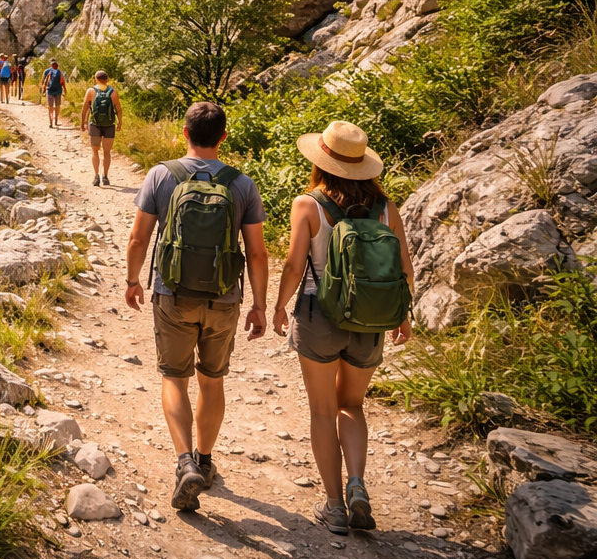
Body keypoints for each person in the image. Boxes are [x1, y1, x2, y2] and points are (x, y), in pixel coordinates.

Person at [124, 101, 269, 513]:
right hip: (224, 298)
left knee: (174, 377)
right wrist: (259, 305)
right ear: (223, 137)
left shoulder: (161, 175)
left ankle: (184, 461)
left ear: (184, 133)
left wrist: (133, 280)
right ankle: (205, 462)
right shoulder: (242, 184)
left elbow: (138, 237)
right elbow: (257, 255)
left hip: (172, 293)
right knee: (212, 379)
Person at [273, 121, 415, 535]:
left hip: (319, 315)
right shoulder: (387, 207)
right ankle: (357, 485)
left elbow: (295, 265)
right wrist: (402, 317)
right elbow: (404, 267)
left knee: (321, 409)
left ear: (321, 161)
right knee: (351, 405)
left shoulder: (308, 204)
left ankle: (334, 505)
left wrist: (279, 307)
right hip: (371, 318)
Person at [81, 71, 123, 186]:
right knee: (107, 152)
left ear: (96, 79)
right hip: (109, 125)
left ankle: (96, 177)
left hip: (94, 124)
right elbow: (118, 109)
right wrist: (120, 122)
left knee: (95, 151)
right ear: (107, 79)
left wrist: (83, 123)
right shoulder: (113, 92)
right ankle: (105, 176)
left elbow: (85, 108)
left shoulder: (91, 91)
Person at [41, 60, 67, 127]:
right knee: (57, 106)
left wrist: (43, 91)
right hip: (58, 91)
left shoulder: (49, 72)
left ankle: (51, 122)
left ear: (52, 66)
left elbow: (46, 82)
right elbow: (63, 82)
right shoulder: (60, 73)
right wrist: (65, 91)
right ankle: (56, 121)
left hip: (50, 90)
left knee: (50, 107)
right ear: (57, 66)